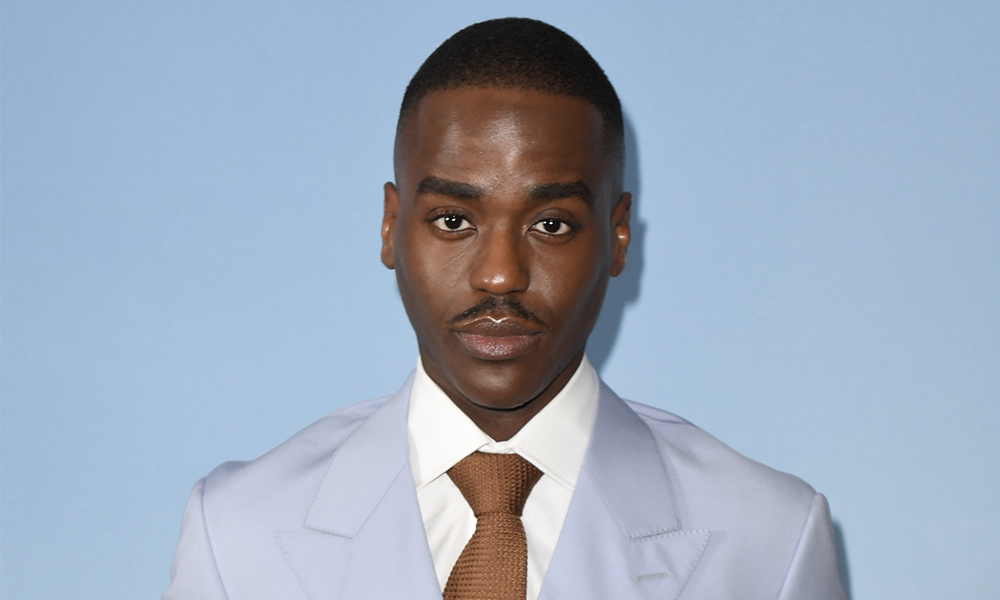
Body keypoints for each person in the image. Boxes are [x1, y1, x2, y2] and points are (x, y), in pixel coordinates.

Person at [163, 17, 847, 600]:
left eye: (551, 224)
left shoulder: (772, 540)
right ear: (390, 227)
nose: (499, 275)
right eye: (453, 220)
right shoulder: (235, 533)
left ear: (617, 238)